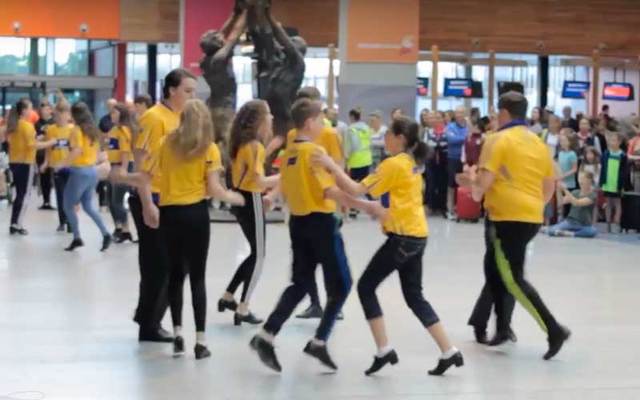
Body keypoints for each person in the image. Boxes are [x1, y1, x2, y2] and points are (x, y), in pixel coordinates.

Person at [314, 116, 464, 376]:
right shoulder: (412, 163)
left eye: (388, 135)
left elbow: (356, 189)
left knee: (365, 287)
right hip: (417, 235)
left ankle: (384, 350)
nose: (383, 139)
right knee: (415, 296)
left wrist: (331, 166)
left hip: (403, 237)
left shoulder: (393, 164)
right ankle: (449, 351)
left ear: (400, 139)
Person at [248, 98, 380, 373]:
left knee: (299, 283)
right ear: (309, 122)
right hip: (320, 223)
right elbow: (329, 191)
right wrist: (366, 205)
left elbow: (285, 181)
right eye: (320, 119)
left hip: (298, 223)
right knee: (342, 283)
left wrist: (273, 196)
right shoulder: (313, 152)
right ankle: (319, 340)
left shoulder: (291, 151)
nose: (324, 124)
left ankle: (267, 334)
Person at [460, 91, 571, 361]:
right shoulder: (539, 142)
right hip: (531, 215)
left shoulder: (496, 140)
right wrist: (532, 204)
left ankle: (553, 329)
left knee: (512, 278)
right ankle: (500, 328)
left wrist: (471, 180)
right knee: (496, 272)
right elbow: (549, 186)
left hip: (504, 217)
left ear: (504, 113)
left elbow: (479, 190)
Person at [132, 99, 244, 360]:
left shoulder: (165, 144)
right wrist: (235, 198)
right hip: (196, 214)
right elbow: (215, 189)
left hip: (170, 214)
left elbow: (146, 175)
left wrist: (149, 202)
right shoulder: (209, 149)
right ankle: (201, 341)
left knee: (175, 276)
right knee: (198, 278)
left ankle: (178, 333)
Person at [129, 68, 197, 343]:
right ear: (172, 90)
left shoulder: (181, 118)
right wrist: (147, 203)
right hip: (152, 198)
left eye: (194, 92)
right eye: (187, 91)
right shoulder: (154, 118)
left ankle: (150, 317)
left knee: (178, 263)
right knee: (158, 265)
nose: (192, 97)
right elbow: (139, 160)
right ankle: (148, 324)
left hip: (174, 199)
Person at [218, 100, 279, 326]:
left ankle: (228, 296)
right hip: (251, 198)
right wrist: (288, 176)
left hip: (240, 199)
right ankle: (243, 308)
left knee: (254, 252)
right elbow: (260, 180)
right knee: (260, 255)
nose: (272, 118)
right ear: (259, 121)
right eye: (269, 114)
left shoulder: (242, 143)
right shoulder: (254, 146)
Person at [59, 102, 112, 252]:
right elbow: (96, 152)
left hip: (79, 171)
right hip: (91, 171)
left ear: (75, 115)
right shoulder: (93, 131)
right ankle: (106, 233)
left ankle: (77, 237)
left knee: (68, 205)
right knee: (88, 206)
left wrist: (63, 164)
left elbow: (76, 151)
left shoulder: (76, 130)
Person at [6, 98, 56, 235]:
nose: (32, 110)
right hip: (25, 164)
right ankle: (17, 224)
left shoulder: (15, 125)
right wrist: (51, 142)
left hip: (14, 162)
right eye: (30, 108)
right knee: (24, 195)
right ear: (24, 110)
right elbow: (33, 145)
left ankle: (14, 222)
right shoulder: (27, 126)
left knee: (19, 194)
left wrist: (41, 137)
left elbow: (27, 141)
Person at [106, 103, 135, 243]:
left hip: (122, 166)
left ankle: (126, 230)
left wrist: (123, 169)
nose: (112, 115)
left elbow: (125, 151)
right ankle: (119, 227)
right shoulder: (114, 130)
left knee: (116, 201)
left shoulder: (123, 130)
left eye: (115, 113)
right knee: (110, 200)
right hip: (113, 166)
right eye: (111, 113)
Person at [44, 101, 74, 232]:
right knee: (60, 195)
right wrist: (46, 162)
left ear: (68, 115)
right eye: (58, 114)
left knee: (71, 196)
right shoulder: (51, 129)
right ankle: (63, 221)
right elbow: (48, 148)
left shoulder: (73, 129)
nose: (60, 117)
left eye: (63, 114)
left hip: (71, 167)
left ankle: (71, 222)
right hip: (56, 167)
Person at [546, 171, 598, 238]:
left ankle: (570, 234)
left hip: (584, 224)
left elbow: (577, 203)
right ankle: (563, 231)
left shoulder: (592, 195)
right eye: (580, 178)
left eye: (583, 179)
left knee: (592, 231)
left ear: (589, 181)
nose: (581, 181)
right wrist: (558, 190)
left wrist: (565, 190)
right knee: (551, 231)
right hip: (570, 222)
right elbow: (561, 202)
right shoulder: (575, 192)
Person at [600, 132, 629, 233]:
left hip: (617, 183)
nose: (612, 143)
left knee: (617, 203)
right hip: (607, 182)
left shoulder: (622, 155)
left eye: (614, 140)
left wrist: (623, 185)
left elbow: (625, 172)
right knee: (608, 203)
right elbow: (603, 168)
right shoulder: (606, 153)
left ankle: (617, 223)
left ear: (619, 142)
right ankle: (608, 224)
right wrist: (601, 182)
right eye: (610, 140)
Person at [445, 106, 468, 220]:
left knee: (464, 184)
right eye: (457, 113)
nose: (459, 115)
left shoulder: (469, 126)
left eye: (461, 113)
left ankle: (462, 208)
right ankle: (450, 209)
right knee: (451, 184)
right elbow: (451, 140)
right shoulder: (450, 126)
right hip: (453, 158)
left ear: (465, 114)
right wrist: (465, 137)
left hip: (466, 159)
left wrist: (460, 137)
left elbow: (471, 138)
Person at [425, 111, 448, 214]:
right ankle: (431, 206)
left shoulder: (447, 131)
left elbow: (448, 143)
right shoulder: (428, 131)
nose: (436, 120)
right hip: (431, 160)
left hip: (444, 160)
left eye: (439, 118)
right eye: (435, 118)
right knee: (431, 184)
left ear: (443, 119)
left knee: (443, 184)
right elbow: (426, 144)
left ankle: (442, 206)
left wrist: (437, 145)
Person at [35, 100, 55, 210]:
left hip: (54, 153)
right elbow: (36, 139)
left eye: (47, 108)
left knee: (55, 177)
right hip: (42, 154)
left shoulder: (55, 122)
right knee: (44, 178)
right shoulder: (37, 124)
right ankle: (46, 200)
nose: (45, 111)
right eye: (43, 109)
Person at [557, 132, 578, 217]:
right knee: (561, 202)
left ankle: (568, 220)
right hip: (560, 182)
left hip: (569, 183)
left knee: (568, 204)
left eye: (564, 141)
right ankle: (561, 219)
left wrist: (563, 175)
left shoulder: (572, 154)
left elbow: (574, 169)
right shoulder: (560, 153)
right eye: (561, 141)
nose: (562, 143)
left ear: (570, 142)